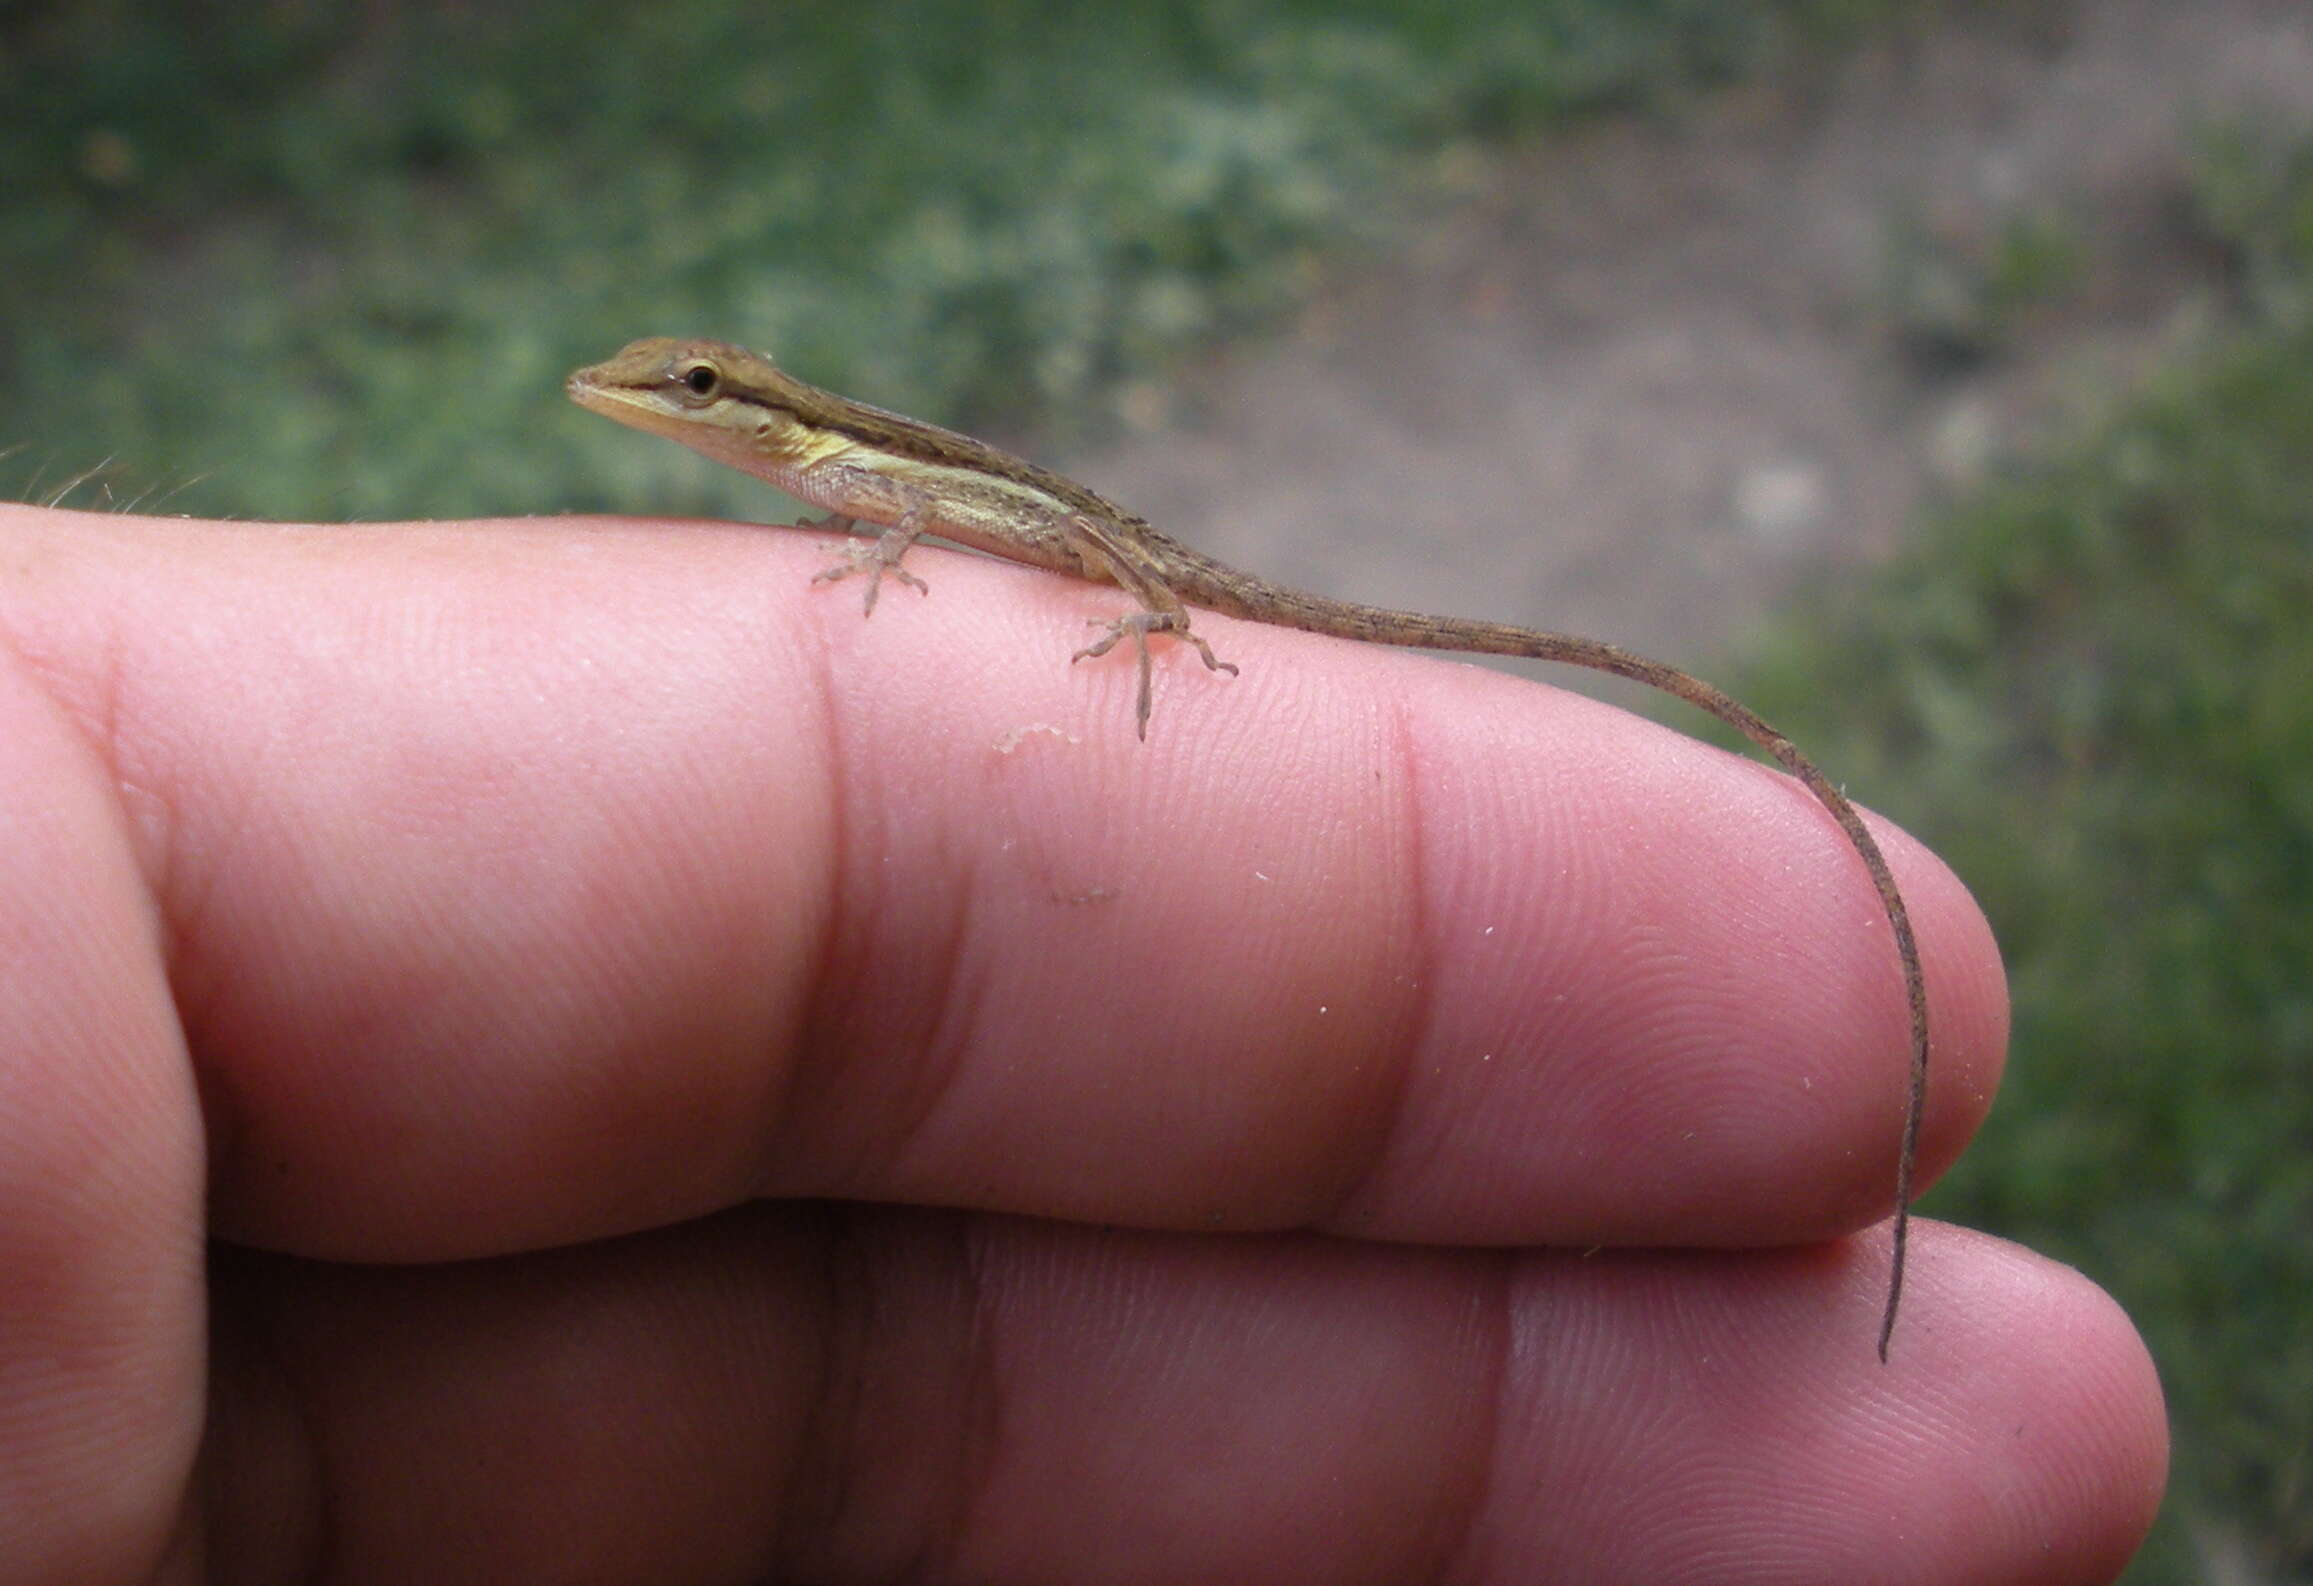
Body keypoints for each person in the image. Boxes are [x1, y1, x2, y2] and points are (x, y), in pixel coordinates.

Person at [0, 503, 2165, 1582]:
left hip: (1121, 557)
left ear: (739, 410)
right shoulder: (827, 467)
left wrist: (1147, 607)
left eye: (674, 397)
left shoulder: (865, 470)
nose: (647, 418)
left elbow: (942, 511)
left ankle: (1170, 613)